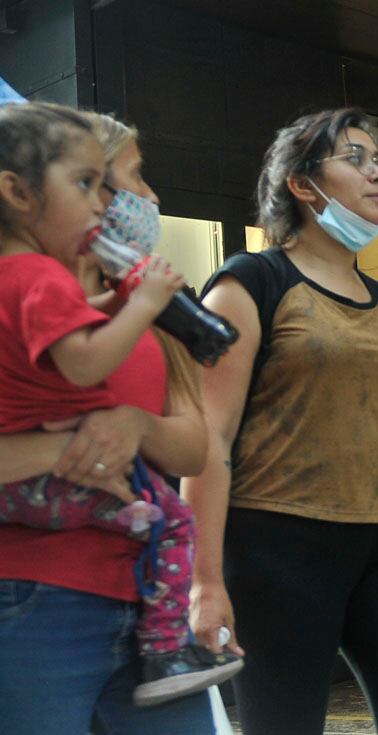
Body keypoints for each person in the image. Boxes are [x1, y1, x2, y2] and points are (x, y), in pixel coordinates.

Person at [183, 108, 378, 735]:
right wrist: (203, 580)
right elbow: (209, 440)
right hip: (278, 547)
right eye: (354, 158)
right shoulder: (250, 283)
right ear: (303, 184)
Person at [0, 106, 218, 733]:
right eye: (120, 179)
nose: (141, 198)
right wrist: (75, 445)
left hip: (145, 607)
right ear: (22, 190)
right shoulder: (35, 289)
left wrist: (135, 425)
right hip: (34, 598)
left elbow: (193, 448)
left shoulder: (142, 315)